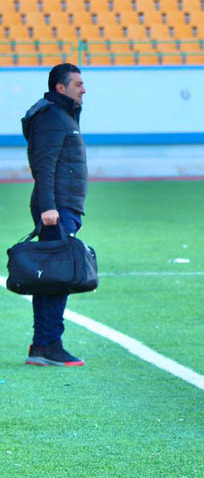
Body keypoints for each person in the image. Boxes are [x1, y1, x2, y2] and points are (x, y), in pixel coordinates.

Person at [21, 63, 88, 367]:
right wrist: (49, 206)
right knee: (58, 277)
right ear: (60, 88)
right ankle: (49, 344)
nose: (84, 89)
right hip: (56, 209)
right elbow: (44, 165)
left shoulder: (62, 114)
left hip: (62, 207)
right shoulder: (52, 116)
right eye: (78, 84)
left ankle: (42, 345)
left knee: (50, 276)